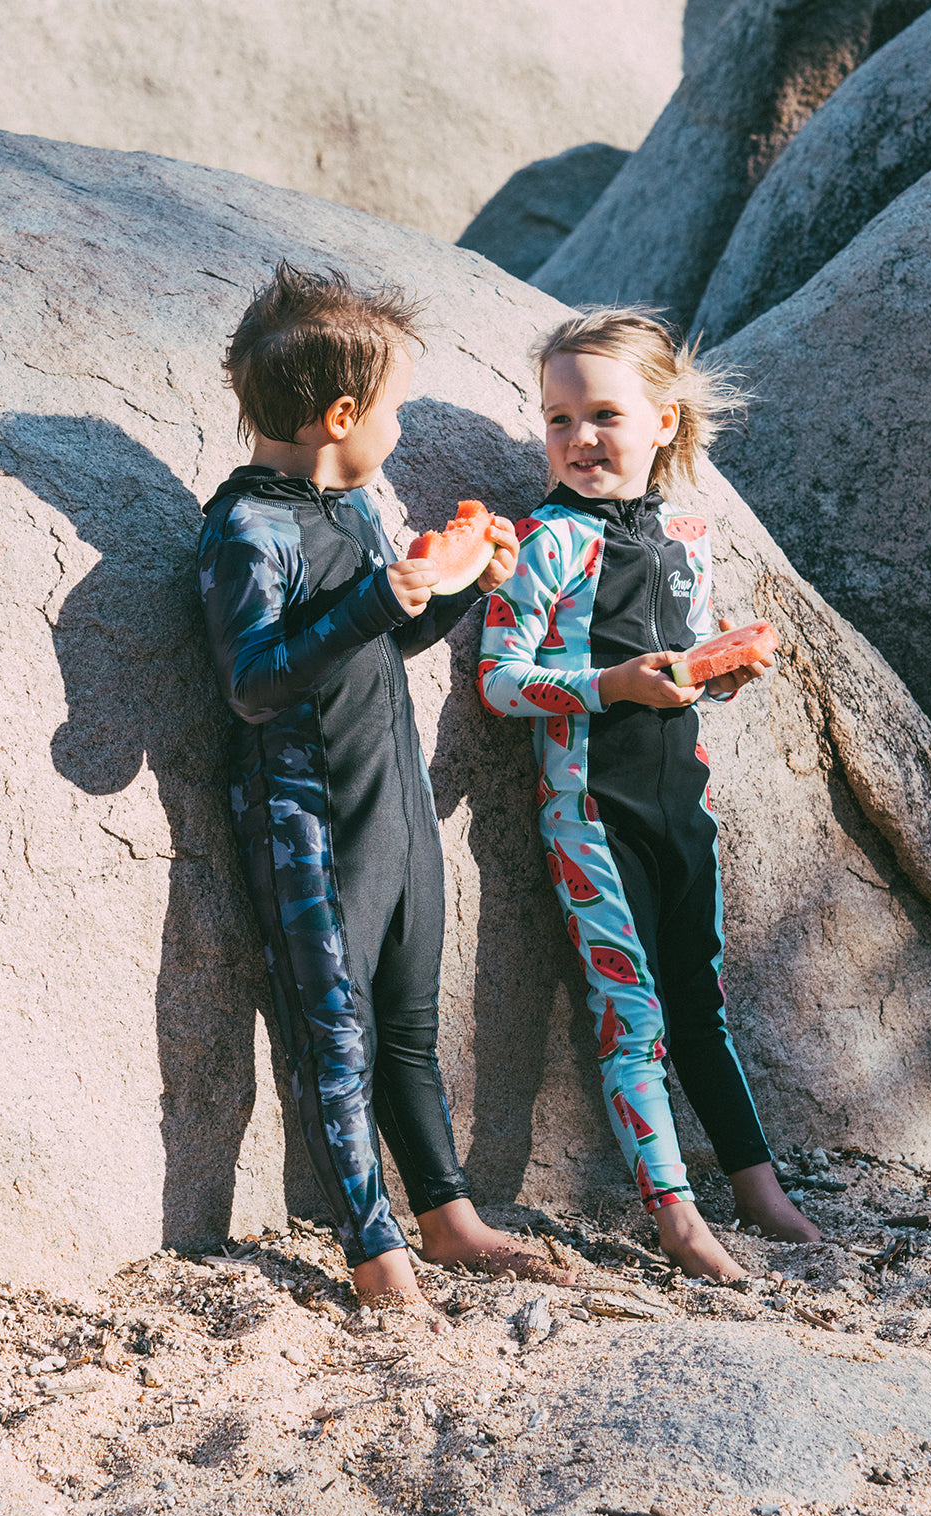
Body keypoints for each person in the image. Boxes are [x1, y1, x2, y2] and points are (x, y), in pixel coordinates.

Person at [197, 261, 569, 1311]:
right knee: (334, 1035)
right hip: (309, 825)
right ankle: (375, 1255)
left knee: (405, 1023)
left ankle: (447, 1218)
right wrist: (381, 590)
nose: (400, 433)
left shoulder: (352, 509)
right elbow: (255, 682)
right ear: (341, 413)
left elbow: (384, 637)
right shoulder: (243, 530)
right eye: (395, 411)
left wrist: (452, 589)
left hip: (395, 808)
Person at [477, 307, 820, 1281]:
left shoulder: (687, 534)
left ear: (663, 421)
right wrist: (610, 687)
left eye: (603, 415)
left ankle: (758, 1189)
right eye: (557, 418)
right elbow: (500, 680)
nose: (578, 438)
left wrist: (720, 671)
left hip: (682, 807)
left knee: (699, 1004)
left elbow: (689, 654)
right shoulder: (543, 541)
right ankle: (675, 1219)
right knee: (633, 1019)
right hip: (589, 813)